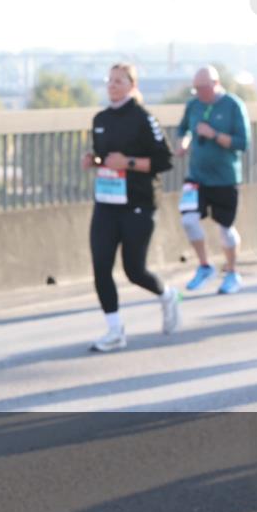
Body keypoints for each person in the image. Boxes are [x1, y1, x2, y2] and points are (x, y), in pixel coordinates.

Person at [82, 64, 180, 352]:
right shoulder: (100, 118)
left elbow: (164, 161)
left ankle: (167, 295)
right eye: (109, 80)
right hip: (107, 202)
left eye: (118, 81)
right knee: (100, 266)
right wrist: (94, 162)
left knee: (134, 270)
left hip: (138, 202)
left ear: (132, 85)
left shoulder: (143, 118)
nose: (112, 85)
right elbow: (105, 158)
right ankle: (115, 330)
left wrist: (129, 163)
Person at [175, 65, 252, 294]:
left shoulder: (233, 105)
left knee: (225, 228)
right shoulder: (193, 105)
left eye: (203, 88)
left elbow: (242, 143)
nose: (199, 92)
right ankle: (204, 265)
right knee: (188, 219)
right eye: (195, 88)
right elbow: (183, 130)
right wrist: (184, 141)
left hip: (225, 177)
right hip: (196, 176)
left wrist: (215, 135)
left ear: (215, 84)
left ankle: (231, 272)